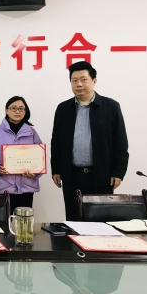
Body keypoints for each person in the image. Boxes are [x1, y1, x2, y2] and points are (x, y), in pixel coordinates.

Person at [51, 61, 129, 221]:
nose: (78, 84)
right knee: (74, 220)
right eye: (74, 80)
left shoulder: (111, 107)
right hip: (72, 176)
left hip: (102, 176)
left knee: (101, 221)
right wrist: (56, 169)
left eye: (83, 79)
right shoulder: (63, 109)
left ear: (94, 81)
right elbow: (56, 142)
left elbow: (120, 143)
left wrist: (118, 172)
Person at [0, 96, 43, 210]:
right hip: (3, 187)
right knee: (4, 220)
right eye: (13, 108)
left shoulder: (32, 133)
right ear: (6, 110)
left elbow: (40, 157)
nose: (17, 111)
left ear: (25, 111)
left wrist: (35, 172)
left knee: (23, 220)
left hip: (27, 187)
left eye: (21, 108)